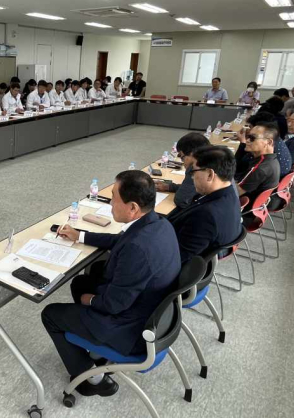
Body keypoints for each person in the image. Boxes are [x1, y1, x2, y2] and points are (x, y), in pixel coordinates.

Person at [42, 171, 180, 397]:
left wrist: (91, 300)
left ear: (133, 207)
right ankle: (96, 343)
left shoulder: (137, 249)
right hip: (150, 309)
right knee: (81, 282)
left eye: (114, 197)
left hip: (131, 329)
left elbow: (114, 305)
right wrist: (80, 235)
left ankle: (92, 379)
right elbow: (120, 241)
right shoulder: (158, 223)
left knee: (50, 314)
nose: (111, 203)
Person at [166, 146, 241, 264]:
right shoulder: (229, 193)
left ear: (210, 175)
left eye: (193, 171)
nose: (191, 176)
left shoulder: (205, 215)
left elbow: (178, 257)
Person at [155, 132, 210, 209]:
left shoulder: (198, 168)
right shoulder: (212, 161)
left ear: (192, 153)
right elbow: (193, 189)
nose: (183, 162)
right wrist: (169, 187)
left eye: (182, 157)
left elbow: (182, 200)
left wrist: (190, 170)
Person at [235, 123, 280, 214]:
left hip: (245, 211)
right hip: (257, 208)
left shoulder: (260, 168)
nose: (247, 140)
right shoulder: (270, 160)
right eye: (248, 136)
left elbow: (234, 192)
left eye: (252, 138)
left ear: (269, 142)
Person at [235, 112, 291, 179]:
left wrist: (243, 143)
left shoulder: (262, 154)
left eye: (250, 127)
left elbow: (237, 167)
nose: (248, 130)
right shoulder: (276, 139)